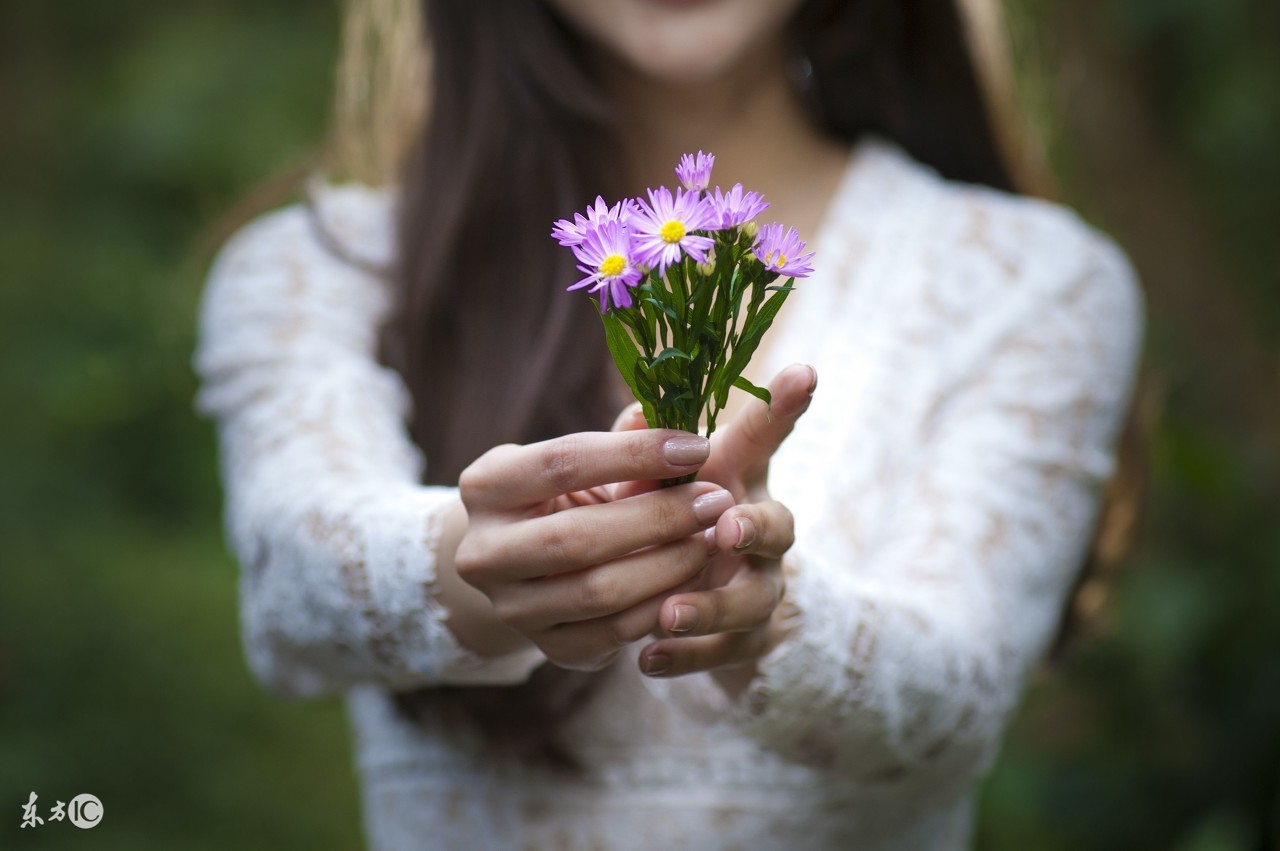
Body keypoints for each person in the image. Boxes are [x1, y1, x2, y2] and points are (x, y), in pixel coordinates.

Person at [194, 0, 1144, 847]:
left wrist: (769, 615)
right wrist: (479, 557)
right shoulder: (319, 271)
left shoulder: (1032, 282)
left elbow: (960, 694)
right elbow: (289, 585)